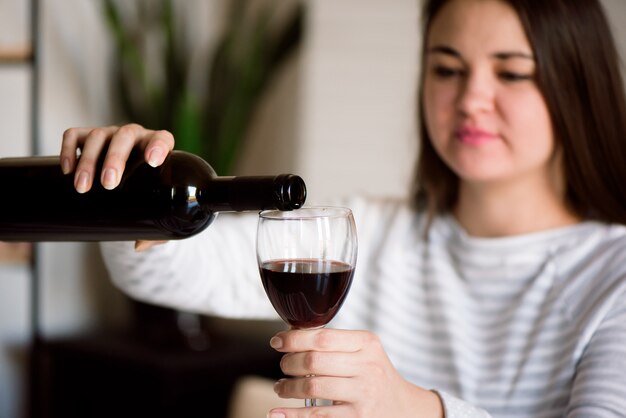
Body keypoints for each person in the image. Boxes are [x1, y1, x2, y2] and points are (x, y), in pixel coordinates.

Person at [59, 0, 626, 416]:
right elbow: (166, 272)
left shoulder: (614, 275)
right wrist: (130, 191)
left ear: (578, 85)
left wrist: (414, 408)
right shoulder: (374, 233)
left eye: (511, 72)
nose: (472, 99)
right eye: (447, 69)